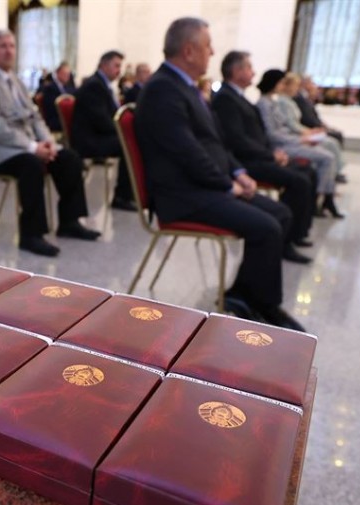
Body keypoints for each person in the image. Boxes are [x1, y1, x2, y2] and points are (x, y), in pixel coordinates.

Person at [135, 17, 304, 331]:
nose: (212, 53)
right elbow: (187, 152)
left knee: (280, 214)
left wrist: (238, 172)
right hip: (183, 194)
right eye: (208, 46)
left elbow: (214, 142)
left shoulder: (183, 87)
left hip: (203, 185)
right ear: (189, 51)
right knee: (267, 227)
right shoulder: (162, 90)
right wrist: (227, 185)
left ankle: (243, 296)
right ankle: (263, 304)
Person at [0, 29, 100, 257]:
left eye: (12, 45)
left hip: (22, 146)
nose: (9, 51)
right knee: (31, 165)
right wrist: (32, 147)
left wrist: (48, 142)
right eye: (2, 46)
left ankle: (69, 221)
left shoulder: (16, 81)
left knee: (69, 158)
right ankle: (31, 234)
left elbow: (35, 117)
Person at [212, 50, 316, 260]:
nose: (253, 72)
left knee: (307, 170)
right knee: (299, 181)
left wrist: (274, 153)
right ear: (236, 71)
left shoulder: (237, 96)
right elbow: (237, 140)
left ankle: (296, 233)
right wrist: (270, 156)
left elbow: (257, 135)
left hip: (258, 156)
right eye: (249, 67)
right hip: (246, 161)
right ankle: (286, 241)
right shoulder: (225, 98)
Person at [256, 69, 343, 218]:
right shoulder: (265, 104)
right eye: (282, 82)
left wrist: (306, 135)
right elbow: (273, 134)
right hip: (282, 145)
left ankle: (325, 197)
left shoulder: (272, 102)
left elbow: (286, 127)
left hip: (289, 140)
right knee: (326, 157)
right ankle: (320, 199)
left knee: (327, 151)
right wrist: (301, 139)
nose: (283, 86)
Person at [71, 50, 136, 211]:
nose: (119, 70)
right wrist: (125, 132)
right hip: (89, 140)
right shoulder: (94, 86)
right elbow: (102, 122)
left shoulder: (101, 84)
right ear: (104, 65)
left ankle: (130, 193)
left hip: (97, 135)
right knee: (130, 144)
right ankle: (122, 196)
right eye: (116, 66)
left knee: (132, 140)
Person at [279, 72, 346, 183]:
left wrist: (312, 130)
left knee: (331, 142)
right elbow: (291, 124)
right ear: (287, 86)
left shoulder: (291, 101)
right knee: (328, 145)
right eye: (295, 85)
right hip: (295, 136)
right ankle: (327, 181)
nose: (297, 88)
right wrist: (308, 131)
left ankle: (333, 173)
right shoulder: (283, 102)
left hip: (301, 133)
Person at [295, 75, 345, 147]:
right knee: (336, 135)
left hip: (315, 125)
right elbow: (308, 118)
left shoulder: (306, 99)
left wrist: (322, 124)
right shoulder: (301, 99)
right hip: (311, 128)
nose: (314, 86)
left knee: (336, 133)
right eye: (311, 83)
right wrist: (319, 126)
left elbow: (313, 116)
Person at [38, 61, 76, 133]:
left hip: (68, 117)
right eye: (65, 74)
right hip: (56, 119)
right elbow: (50, 108)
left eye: (68, 74)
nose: (67, 76)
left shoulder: (70, 87)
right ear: (58, 73)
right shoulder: (50, 88)